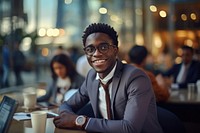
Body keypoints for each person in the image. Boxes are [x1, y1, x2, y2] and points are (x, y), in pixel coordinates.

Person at [53, 23, 163, 133]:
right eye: (90, 49)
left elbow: (130, 128)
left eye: (103, 47)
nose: (96, 54)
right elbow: (66, 105)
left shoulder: (136, 78)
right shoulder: (91, 77)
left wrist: (79, 121)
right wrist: (67, 116)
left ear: (115, 50)